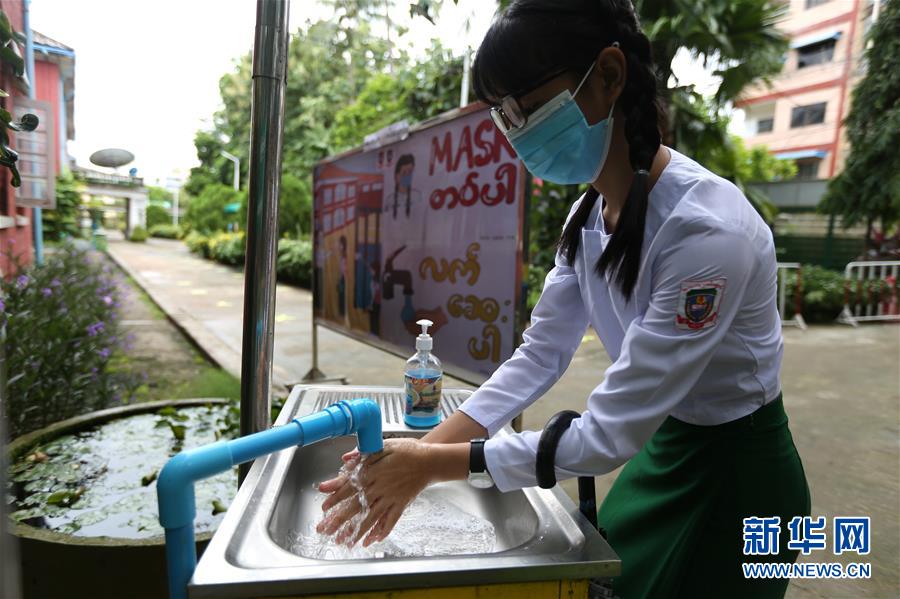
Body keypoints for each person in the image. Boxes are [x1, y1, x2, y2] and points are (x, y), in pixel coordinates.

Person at [318, 2, 810, 597]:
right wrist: (417, 455)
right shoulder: (588, 217)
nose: (516, 130)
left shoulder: (707, 233)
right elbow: (539, 356)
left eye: (526, 105)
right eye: (503, 115)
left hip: (738, 472)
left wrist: (433, 466)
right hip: (665, 443)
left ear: (608, 76)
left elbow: (604, 438)